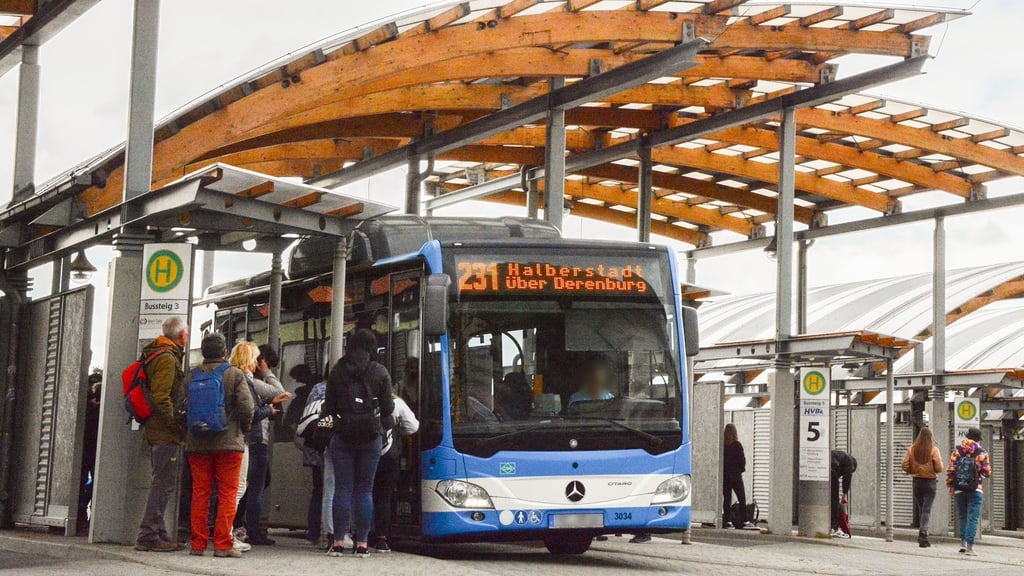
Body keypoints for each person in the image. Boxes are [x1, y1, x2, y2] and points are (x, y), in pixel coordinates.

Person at [323, 329, 395, 558]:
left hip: (342, 437)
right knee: (365, 490)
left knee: (342, 489)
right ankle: (362, 544)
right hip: (370, 438)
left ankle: (337, 543)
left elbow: (328, 408)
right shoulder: (380, 372)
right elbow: (388, 409)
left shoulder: (338, 371)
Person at [186, 333, 254, 558]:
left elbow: (179, 407)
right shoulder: (234, 374)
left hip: (197, 443)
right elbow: (247, 407)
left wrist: (189, 431)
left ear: (203, 352)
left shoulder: (191, 376)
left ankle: (198, 544)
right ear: (225, 351)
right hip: (229, 443)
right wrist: (243, 430)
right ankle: (223, 544)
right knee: (227, 493)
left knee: (200, 493)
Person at [135, 317, 189, 553]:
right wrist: (176, 425)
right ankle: (148, 534)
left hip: (156, 430)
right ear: (182, 336)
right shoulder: (167, 358)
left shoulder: (156, 352)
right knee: (163, 485)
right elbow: (161, 397)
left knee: (162, 482)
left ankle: (160, 534)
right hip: (164, 432)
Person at [231, 342, 290, 548]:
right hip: (255, 440)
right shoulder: (250, 381)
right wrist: (267, 373)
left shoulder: (237, 378)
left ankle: (238, 526)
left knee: (248, 485)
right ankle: (249, 529)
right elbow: (279, 392)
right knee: (253, 487)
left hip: (246, 439)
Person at [371, 387, 419, 552]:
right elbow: (413, 427)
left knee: (362, 493)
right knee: (384, 497)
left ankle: (359, 537)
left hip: (363, 454)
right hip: (389, 456)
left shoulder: (360, 400)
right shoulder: (396, 402)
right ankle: (381, 539)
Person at [947, 427, 991, 556]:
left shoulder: (957, 451)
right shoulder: (981, 453)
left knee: (962, 516)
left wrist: (951, 485)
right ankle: (970, 547)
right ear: (978, 439)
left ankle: (962, 543)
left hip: (959, 489)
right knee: (973, 517)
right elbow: (987, 472)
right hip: (975, 489)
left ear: (967, 437)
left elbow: (950, 469)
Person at [902, 427, 944, 548]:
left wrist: (913, 471)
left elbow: (904, 465)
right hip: (930, 482)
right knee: (926, 510)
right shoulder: (934, 450)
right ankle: (923, 534)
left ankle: (922, 531)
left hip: (917, 482)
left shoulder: (912, 449)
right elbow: (939, 468)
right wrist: (931, 470)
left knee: (922, 509)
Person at [723, 423, 754, 530]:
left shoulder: (723, 446)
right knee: (741, 498)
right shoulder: (737, 445)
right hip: (736, 476)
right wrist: (740, 470)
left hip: (725, 476)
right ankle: (744, 520)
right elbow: (742, 461)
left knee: (727, 498)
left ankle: (727, 520)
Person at [830, 449, 857, 539]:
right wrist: (844, 494)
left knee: (828, 499)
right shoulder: (849, 461)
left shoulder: (840, 455)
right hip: (832, 470)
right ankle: (834, 528)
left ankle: (829, 526)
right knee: (834, 500)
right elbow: (847, 478)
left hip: (825, 468)